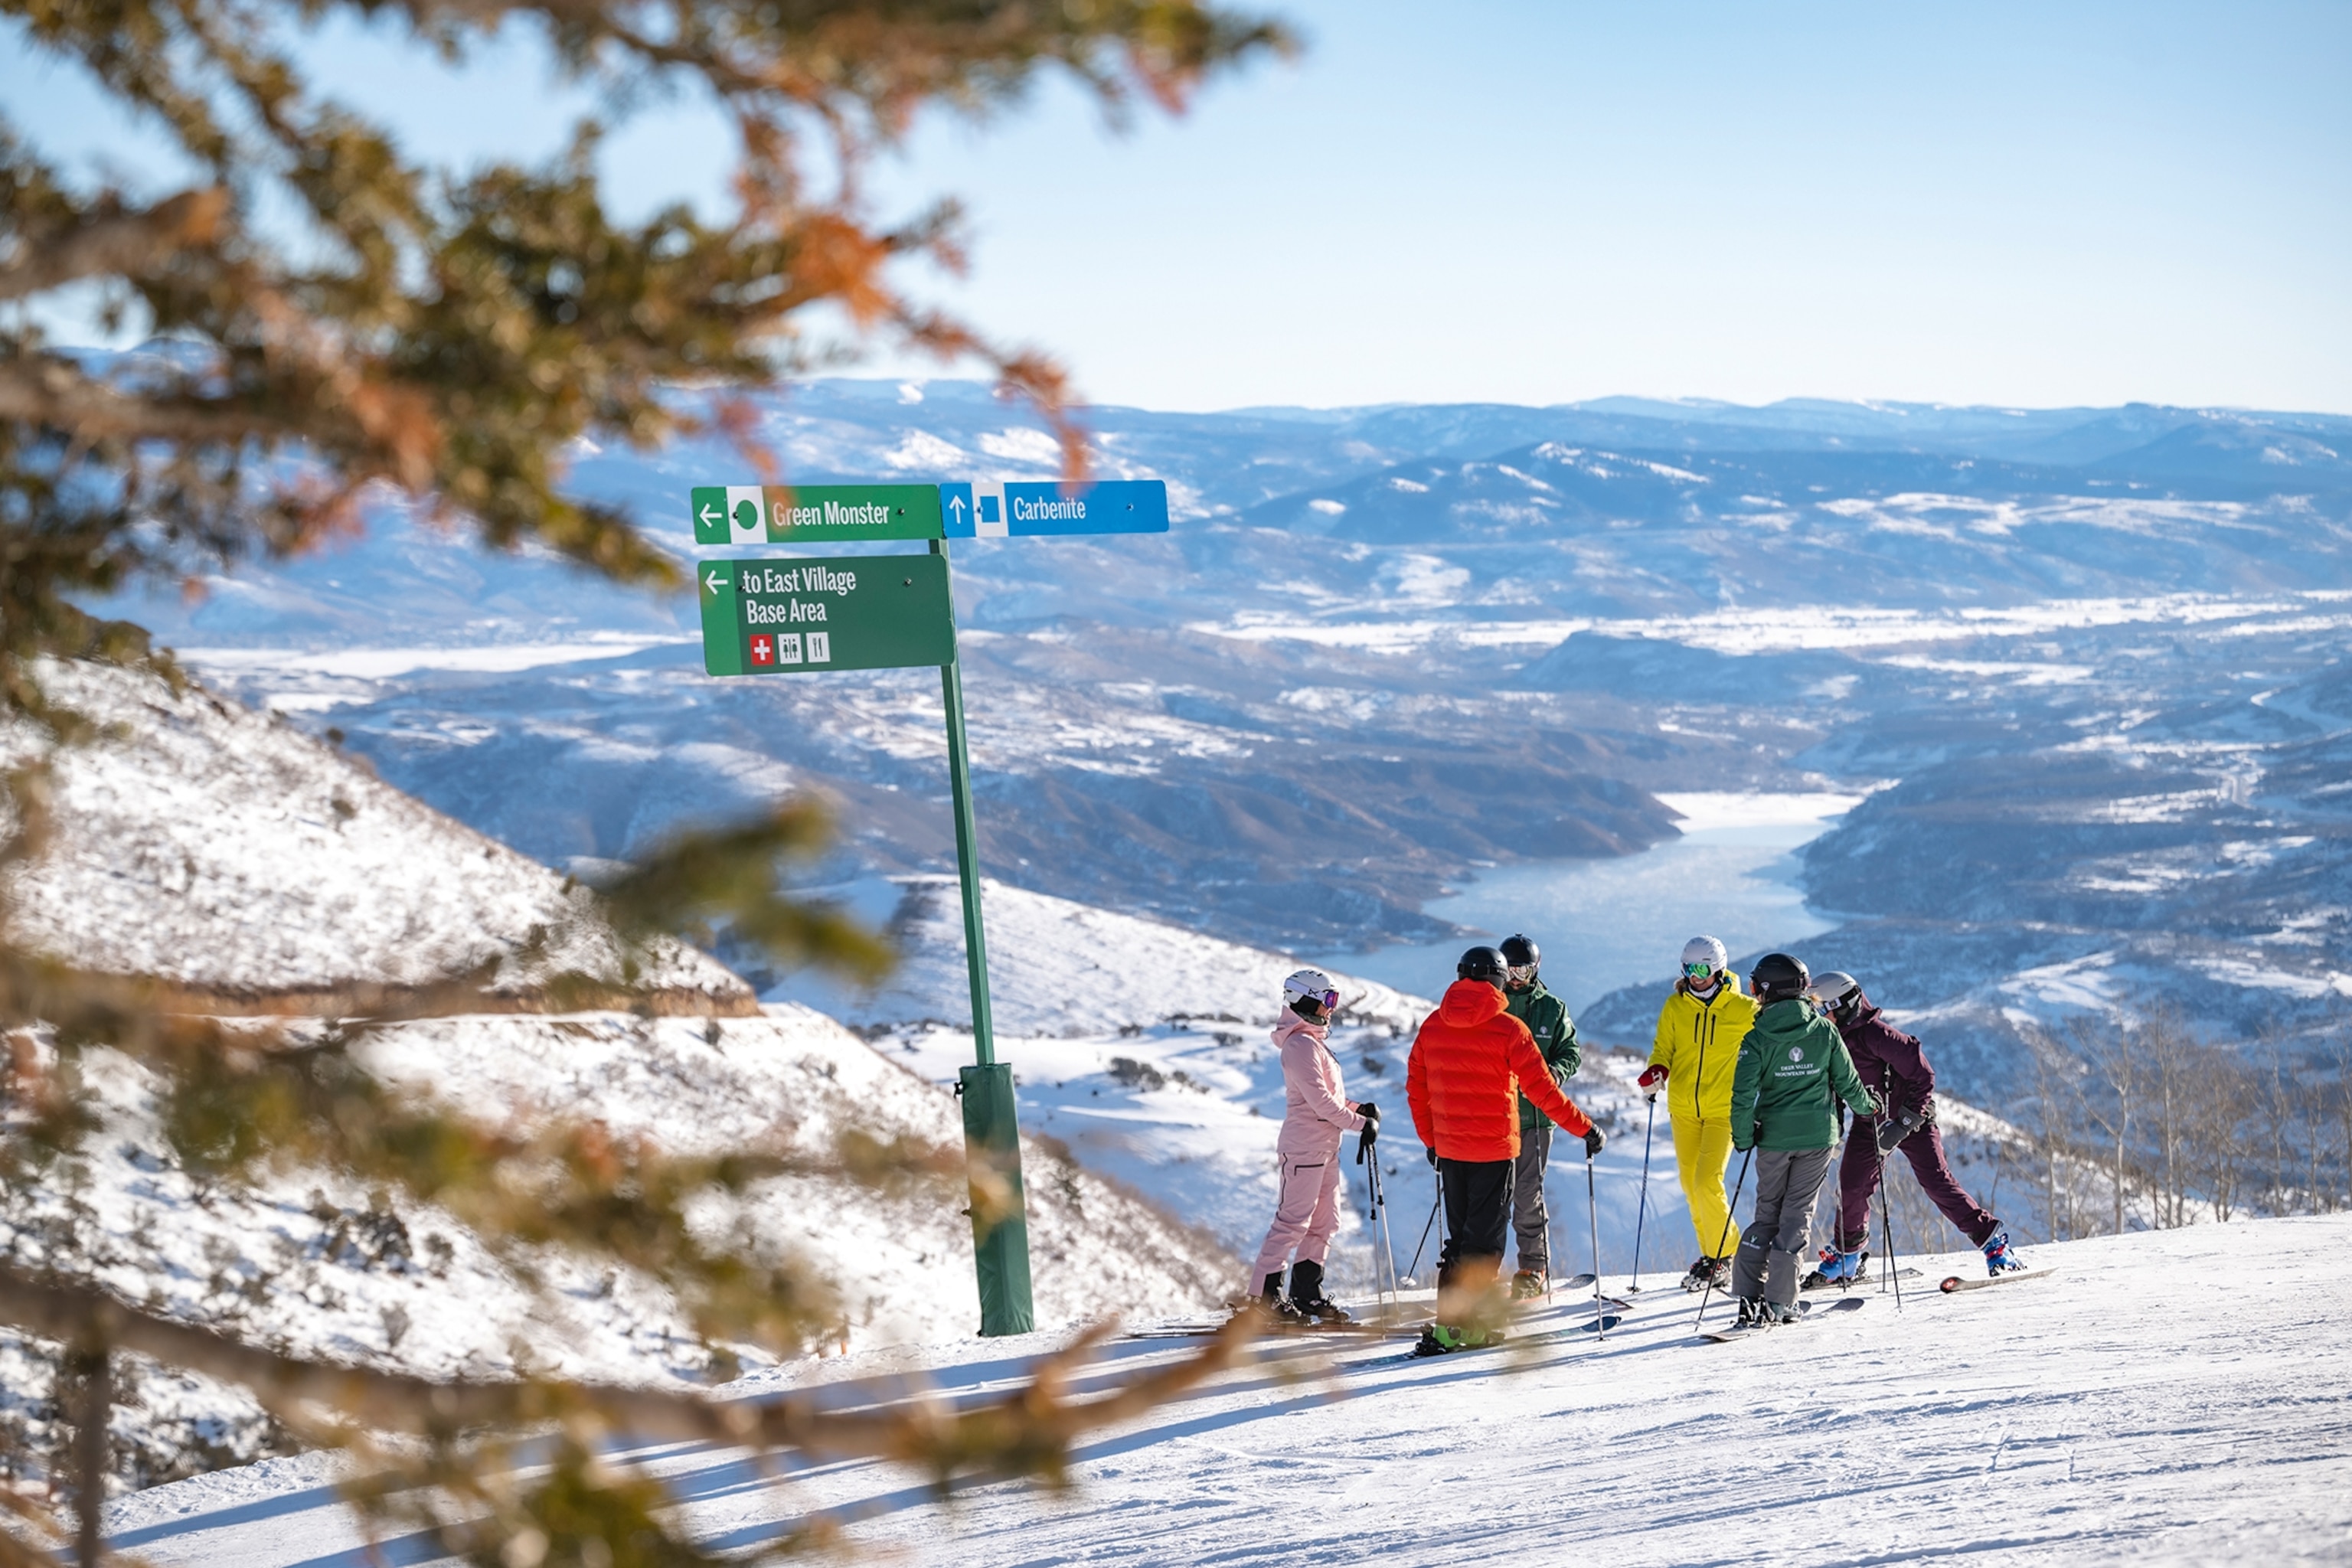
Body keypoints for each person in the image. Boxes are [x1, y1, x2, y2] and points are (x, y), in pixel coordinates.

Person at [1406, 945, 1602, 1354]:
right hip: (1493, 1152)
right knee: (1485, 1244)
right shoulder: (1508, 1028)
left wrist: (1431, 1141)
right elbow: (1544, 1092)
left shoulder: (1432, 1026)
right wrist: (1585, 1129)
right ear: (1497, 980)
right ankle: (1467, 1328)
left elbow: (1416, 1091)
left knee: (1460, 1240)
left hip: (1451, 1153)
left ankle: (1451, 1325)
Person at [1804, 972, 2030, 1282]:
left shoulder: (1876, 1035)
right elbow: (1835, 1089)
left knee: (1936, 1182)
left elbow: (1924, 1076)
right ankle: (1848, 1257)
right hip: (1870, 1122)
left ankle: (1995, 1245)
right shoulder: (1830, 1042)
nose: (1818, 1015)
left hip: (1914, 1120)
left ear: (1844, 1005)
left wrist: (1904, 1123)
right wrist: (1834, 1128)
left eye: (1822, 1008)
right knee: (1852, 1186)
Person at [1725, 952, 1878, 1328]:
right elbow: (1848, 1082)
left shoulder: (1756, 1038)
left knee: (1767, 1215)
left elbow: (1743, 1095)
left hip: (1773, 1139)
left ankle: (1749, 1297)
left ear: (1765, 991)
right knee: (1796, 1217)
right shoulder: (1824, 1031)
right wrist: (1869, 1109)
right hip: (1817, 1139)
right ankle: (1780, 1302)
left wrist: (1743, 1137)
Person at [1245, 969, 1375, 1324]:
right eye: (1328, 1000)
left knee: (1325, 1222)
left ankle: (1306, 1293)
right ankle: (1264, 1299)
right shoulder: (1300, 1045)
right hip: (1304, 1149)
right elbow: (1320, 1103)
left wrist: (1357, 1108)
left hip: (1324, 1148)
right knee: (1292, 1222)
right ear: (1305, 999)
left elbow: (1329, 1099)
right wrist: (1360, 1123)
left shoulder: (1311, 1042)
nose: (1332, 1008)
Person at [1636, 936, 1757, 1292]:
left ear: (1719, 969)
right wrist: (1657, 1070)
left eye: (1702, 969)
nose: (1694, 976)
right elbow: (1664, 1048)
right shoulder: (1676, 1007)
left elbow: (1775, 1034)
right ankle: (1712, 1256)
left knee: (1707, 1182)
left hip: (1723, 1110)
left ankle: (1728, 1252)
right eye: (1688, 969)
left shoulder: (1743, 1009)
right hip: (1684, 1110)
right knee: (1691, 1187)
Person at [1499, 933, 1582, 1298]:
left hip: (1535, 1117)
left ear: (1536, 968)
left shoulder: (1551, 1007)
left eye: (1524, 969)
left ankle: (1534, 1267)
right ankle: (1480, 1273)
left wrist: (1552, 1076)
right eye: (1510, 968)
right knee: (1490, 1198)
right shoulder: (1491, 1004)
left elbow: (1570, 1051)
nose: (1516, 976)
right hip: (1494, 1116)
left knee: (1527, 1195)